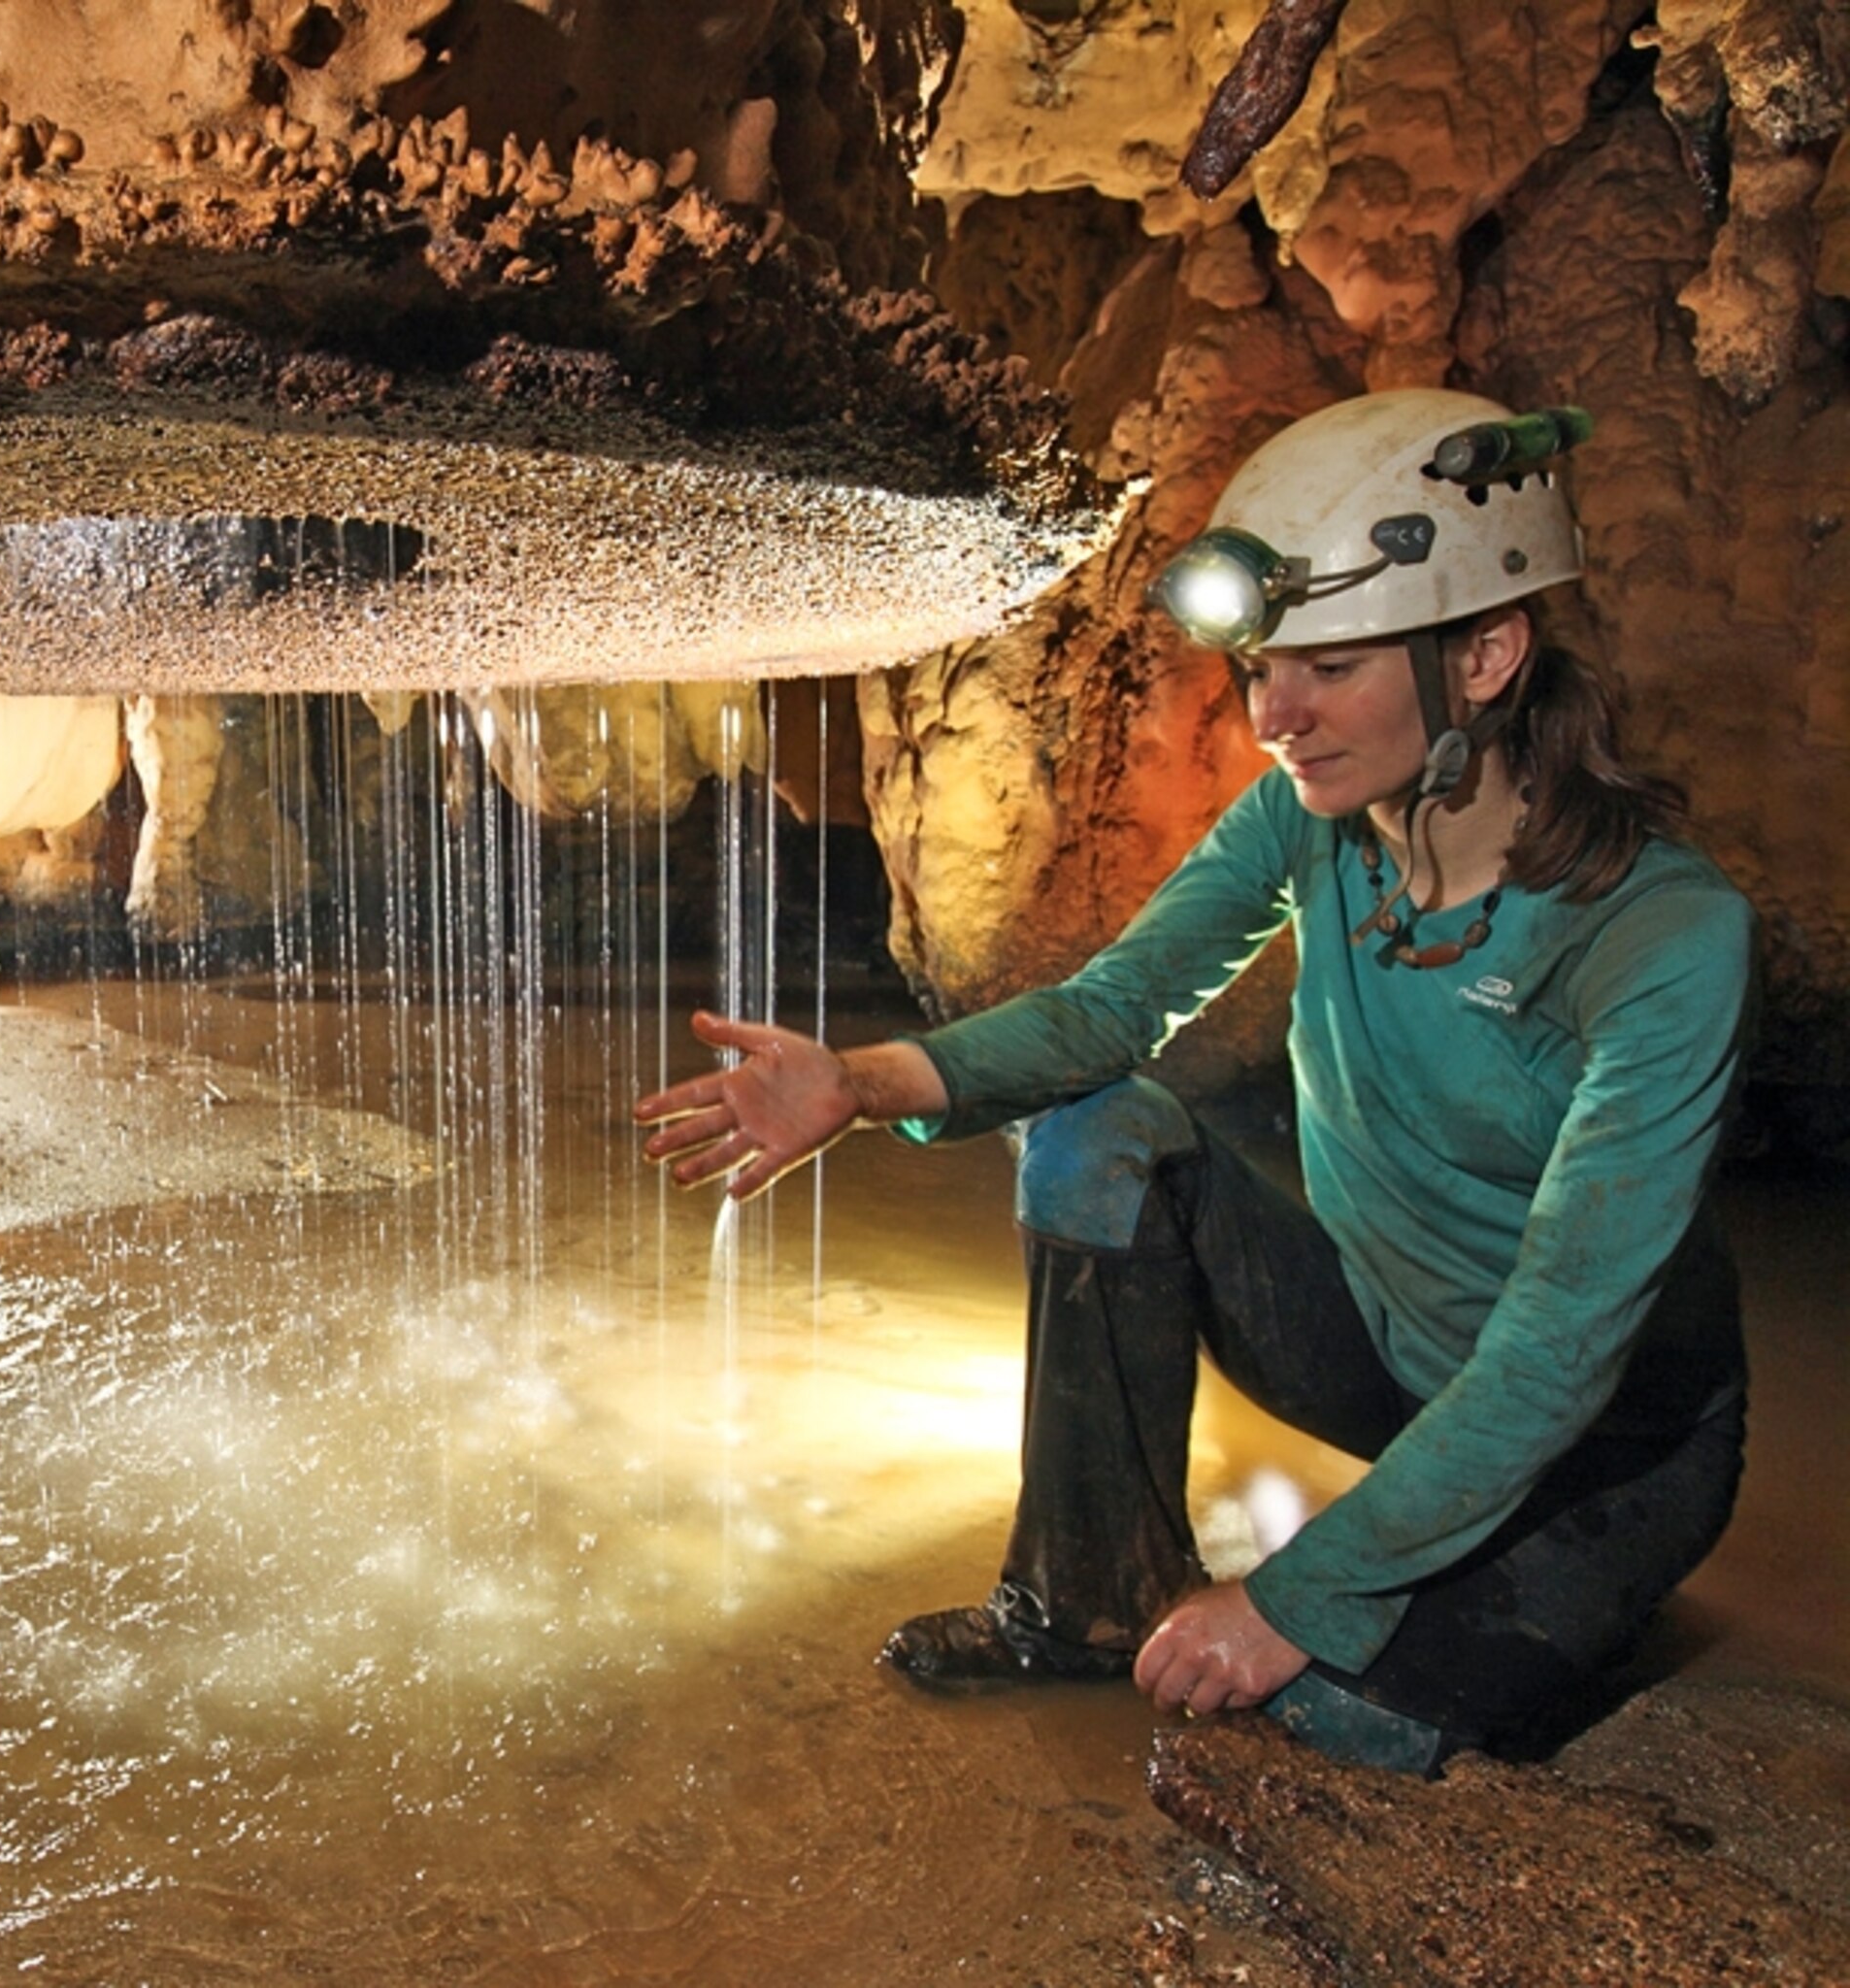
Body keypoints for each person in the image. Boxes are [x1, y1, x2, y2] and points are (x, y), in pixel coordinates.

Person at [633, 389, 1753, 1772]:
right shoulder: (1309, 822)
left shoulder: (1664, 936)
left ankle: (1567, 1584)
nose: (1274, 714)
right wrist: (858, 1084)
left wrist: (1293, 1598)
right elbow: (1116, 1011)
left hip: (1607, 1432)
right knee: (1097, 1137)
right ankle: (1080, 1604)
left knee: (1333, 1730)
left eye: (1328, 668)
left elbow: (1563, 1343)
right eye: (1264, 667)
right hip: (1386, 1352)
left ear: (1484, 655)